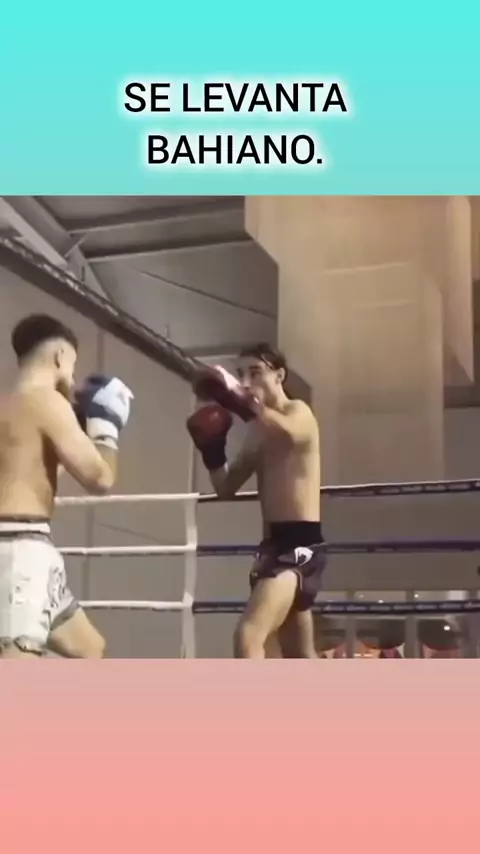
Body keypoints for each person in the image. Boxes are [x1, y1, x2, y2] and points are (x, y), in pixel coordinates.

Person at [0, 314, 133, 658]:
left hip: (21, 544)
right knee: (17, 660)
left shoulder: (9, 404)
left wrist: (81, 424)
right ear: (60, 356)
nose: (73, 376)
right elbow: (100, 479)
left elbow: (38, 474)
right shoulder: (47, 400)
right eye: (72, 363)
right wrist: (107, 428)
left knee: (90, 649)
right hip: (20, 552)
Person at [187, 343, 323, 658]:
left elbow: (288, 433)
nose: (247, 382)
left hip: (300, 547)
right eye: (241, 375)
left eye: (256, 372)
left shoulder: (298, 412)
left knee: (248, 637)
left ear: (279, 376)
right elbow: (225, 487)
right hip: (272, 546)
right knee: (300, 655)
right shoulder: (257, 433)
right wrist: (212, 450)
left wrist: (242, 401)